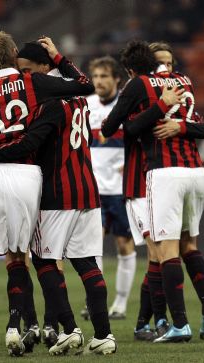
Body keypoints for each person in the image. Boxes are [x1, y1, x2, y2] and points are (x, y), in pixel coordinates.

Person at [0, 41, 117, 356]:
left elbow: (29, 144)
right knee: (87, 263)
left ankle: (67, 329)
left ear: (42, 69)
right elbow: (84, 84)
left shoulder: (49, 106)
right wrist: (60, 58)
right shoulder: (81, 102)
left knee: (42, 260)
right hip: (88, 191)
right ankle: (103, 335)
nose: (23, 77)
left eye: (27, 70)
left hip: (57, 192)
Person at [103, 40, 204, 343]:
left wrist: (176, 122)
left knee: (162, 253)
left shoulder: (163, 88)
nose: (165, 68)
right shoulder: (155, 87)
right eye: (160, 62)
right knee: (164, 253)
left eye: (169, 62)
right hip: (148, 179)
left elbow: (120, 128)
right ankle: (157, 321)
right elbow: (124, 127)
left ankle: (164, 322)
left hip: (159, 177)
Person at [81, 56, 136, 320]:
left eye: (104, 76)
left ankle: (121, 305)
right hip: (94, 189)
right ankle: (96, 302)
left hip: (122, 191)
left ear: (117, 79)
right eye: (96, 76)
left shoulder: (128, 106)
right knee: (93, 247)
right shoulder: (86, 106)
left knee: (125, 245)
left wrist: (132, 163)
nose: (99, 81)